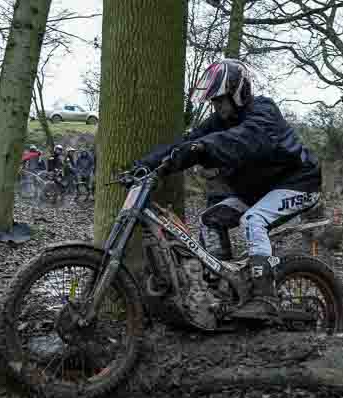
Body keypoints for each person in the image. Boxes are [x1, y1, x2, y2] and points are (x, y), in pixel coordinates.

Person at [135, 59, 322, 320]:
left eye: (220, 100)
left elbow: (241, 140)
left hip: (299, 183)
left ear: (238, 93)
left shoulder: (263, 112)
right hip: (259, 191)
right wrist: (145, 166)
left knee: (253, 219)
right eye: (213, 101)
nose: (217, 106)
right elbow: (187, 142)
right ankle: (222, 286)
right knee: (209, 220)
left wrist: (204, 148)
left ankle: (265, 298)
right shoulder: (219, 123)